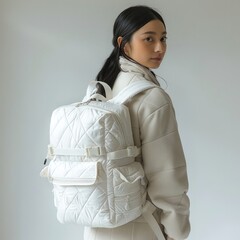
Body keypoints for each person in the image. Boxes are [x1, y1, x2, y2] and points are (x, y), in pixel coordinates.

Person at [84, 5, 190, 240]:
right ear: (124, 43)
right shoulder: (152, 98)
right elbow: (167, 179)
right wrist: (176, 233)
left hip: (96, 225)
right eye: (148, 39)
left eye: (163, 38)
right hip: (140, 226)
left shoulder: (102, 88)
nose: (159, 47)